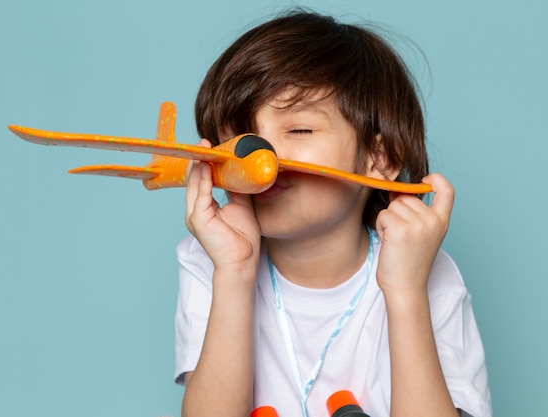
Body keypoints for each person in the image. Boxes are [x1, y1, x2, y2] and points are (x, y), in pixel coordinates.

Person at [174, 10, 491, 417]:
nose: (261, 155)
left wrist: (407, 290)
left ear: (379, 158)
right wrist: (235, 271)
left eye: (299, 130)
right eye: (240, 137)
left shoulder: (428, 274)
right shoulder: (209, 259)